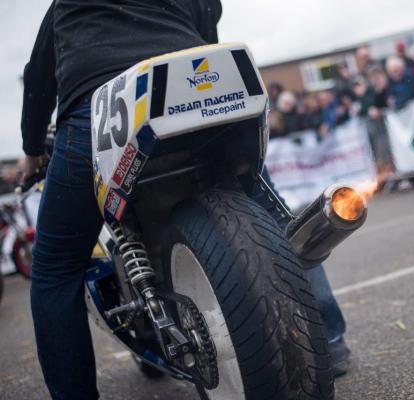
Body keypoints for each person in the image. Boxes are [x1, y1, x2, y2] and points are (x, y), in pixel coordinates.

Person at [21, 2, 350, 399]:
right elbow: (207, 24)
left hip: (100, 107)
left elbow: (40, 78)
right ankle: (329, 340)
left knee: (55, 269)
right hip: (192, 84)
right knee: (273, 216)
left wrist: (32, 149)